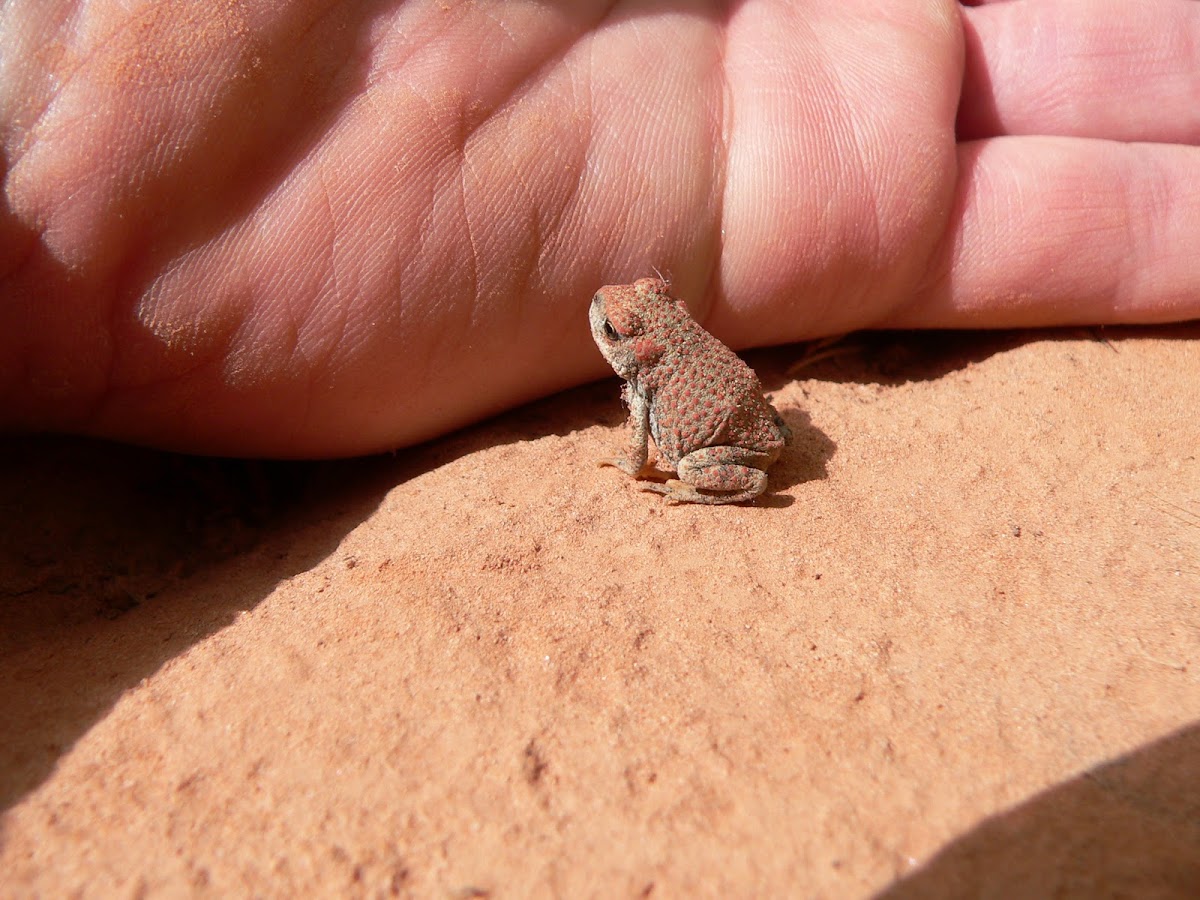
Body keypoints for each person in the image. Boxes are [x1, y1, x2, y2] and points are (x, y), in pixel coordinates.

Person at [2, 0, 1196, 457]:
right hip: (758, 418)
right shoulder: (662, 339)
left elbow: (644, 439)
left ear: (640, 339)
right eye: (625, 321)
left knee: (702, 460)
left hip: (740, 437)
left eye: (624, 321)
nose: (617, 323)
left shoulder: (645, 377)